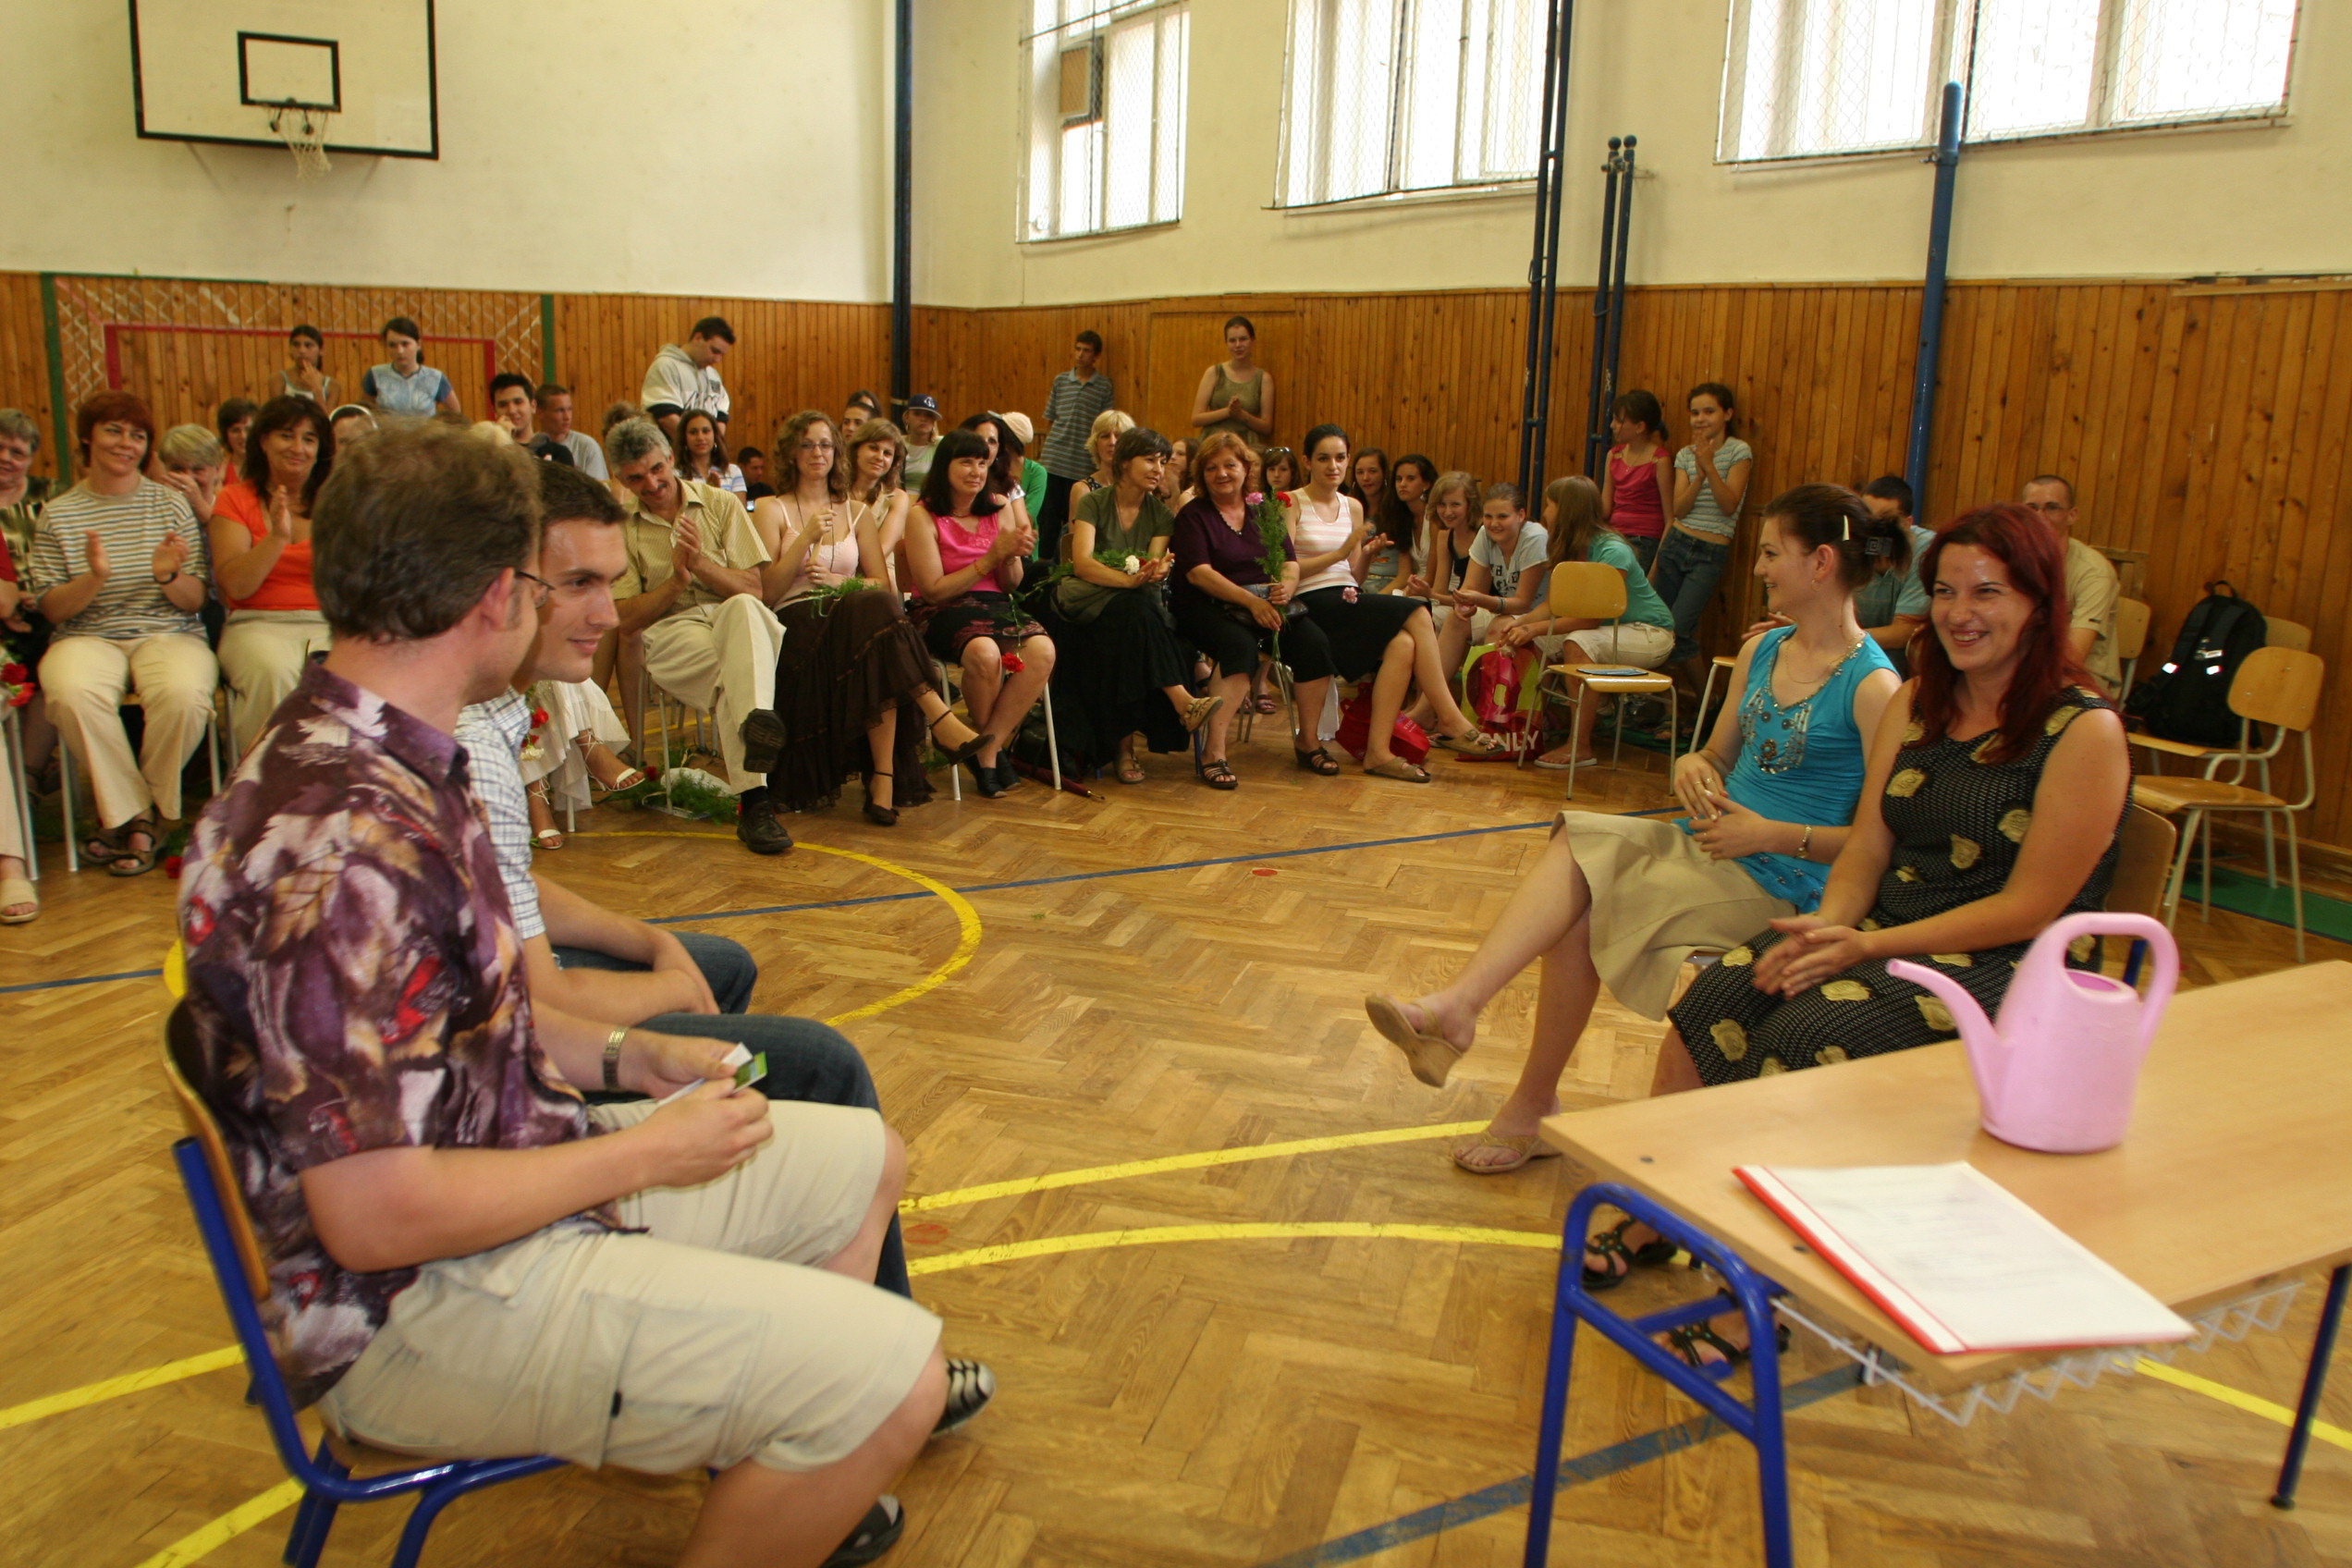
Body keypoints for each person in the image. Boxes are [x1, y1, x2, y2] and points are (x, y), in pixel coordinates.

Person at [177, 421, 949, 1566]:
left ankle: (775, 1424)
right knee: (897, 1379)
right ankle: (808, 1409)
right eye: (551, 585)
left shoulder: (388, 759)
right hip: (417, 1307)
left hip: (490, 1191)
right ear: (500, 595)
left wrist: (632, 1059)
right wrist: (644, 1150)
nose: (568, 607)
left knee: (864, 1158)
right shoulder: (343, 843)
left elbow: (472, 1016)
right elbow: (374, 1218)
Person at [1634, 505, 2129, 1366]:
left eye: (1987, 593)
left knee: (1806, 1037)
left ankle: (1756, 1298)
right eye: (1946, 592)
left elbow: (2031, 908)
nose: (1960, 612)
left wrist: (1865, 946)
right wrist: (1830, 924)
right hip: (1885, 928)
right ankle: (1661, 1217)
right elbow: (1869, 844)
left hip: (2007, 966)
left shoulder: (2082, 730)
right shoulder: (1918, 702)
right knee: (1715, 999)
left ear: (2040, 602)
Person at [1366, 484, 1907, 1173]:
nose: (1760, 567)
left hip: (1787, 882)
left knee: (1588, 907)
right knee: (1577, 842)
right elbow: (1716, 755)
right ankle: (1462, 1012)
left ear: (1822, 562)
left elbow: (1878, 844)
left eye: (1773, 554)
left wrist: (1771, 835)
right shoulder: (1764, 652)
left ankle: (1522, 1094)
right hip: (1710, 845)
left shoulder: (1874, 688)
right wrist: (1691, 764)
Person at [753, 411, 986, 822]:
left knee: (877, 623)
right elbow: (767, 591)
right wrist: (805, 539)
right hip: (796, 619)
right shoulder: (771, 508)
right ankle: (935, 721)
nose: (817, 453)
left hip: (852, 621)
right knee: (877, 621)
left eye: (825, 444)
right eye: (807, 444)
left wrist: (838, 581)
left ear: (836, 452)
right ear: (791, 452)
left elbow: (880, 582)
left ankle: (884, 780)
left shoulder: (856, 512)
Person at [29, 391, 215, 877]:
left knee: (184, 694)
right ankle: (144, 818)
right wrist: (93, 578)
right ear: (87, 439)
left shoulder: (171, 504)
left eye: (137, 435)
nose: (125, 443)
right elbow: (51, 608)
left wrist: (167, 576)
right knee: (70, 691)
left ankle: (130, 817)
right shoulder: (58, 513)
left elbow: (196, 600)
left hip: (169, 632)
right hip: (85, 636)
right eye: (113, 431)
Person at [605, 417, 792, 855]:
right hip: (671, 630)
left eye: (657, 469)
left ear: (671, 457)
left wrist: (701, 564)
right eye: (636, 478)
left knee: (745, 613)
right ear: (621, 480)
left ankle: (755, 804)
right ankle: (757, 772)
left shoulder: (721, 503)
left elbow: (754, 589)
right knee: (738, 674)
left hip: (731, 617)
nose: (651, 484)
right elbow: (625, 618)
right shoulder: (623, 529)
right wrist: (676, 580)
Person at [1287, 425, 1501, 782]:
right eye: (1323, 458)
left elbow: (1352, 577)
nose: (1333, 466)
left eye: (1340, 458)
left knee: (1402, 646)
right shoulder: (1291, 502)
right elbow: (1286, 570)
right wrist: (1340, 553)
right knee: (1416, 609)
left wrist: (1366, 556)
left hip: (1344, 597)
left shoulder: (1353, 507)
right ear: (1308, 461)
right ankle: (1448, 717)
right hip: (1308, 601)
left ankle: (1378, 752)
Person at [1050, 426, 1220, 783]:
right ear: (1125, 462)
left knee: (1134, 625)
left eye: (1163, 462)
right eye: (1150, 460)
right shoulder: (1093, 501)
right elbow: (1082, 564)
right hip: (1088, 605)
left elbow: (1149, 565)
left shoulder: (1160, 515)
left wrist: (1156, 571)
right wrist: (1129, 581)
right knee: (1138, 613)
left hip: (1132, 613)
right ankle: (1182, 701)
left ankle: (1124, 750)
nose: (1159, 469)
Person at [1169, 432, 1337, 790]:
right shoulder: (1193, 516)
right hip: (1208, 606)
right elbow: (1198, 574)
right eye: (1211, 468)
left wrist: (1286, 587)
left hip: (1263, 604)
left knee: (1314, 643)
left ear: (1246, 468)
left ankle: (1308, 741)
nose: (1222, 474)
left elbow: (1289, 561)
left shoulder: (1264, 511)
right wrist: (1252, 603)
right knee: (1239, 647)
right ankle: (1213, 752)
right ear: (1201, 475)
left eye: (1230, 465)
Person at [902, 430, 1057, 799]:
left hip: (994, 603)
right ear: (945, 466)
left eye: (983, 463)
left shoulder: (999, 506)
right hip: (940, 608)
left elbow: (1011, 584)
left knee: (1042, 651)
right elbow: (933, 589)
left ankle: (986, 748)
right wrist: (990, 557)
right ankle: (992, 754)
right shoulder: (922, 514)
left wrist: (1012, 555)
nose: (976, 471)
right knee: (984, 653)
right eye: (966, 462)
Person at [1503, 475, 1679, 769]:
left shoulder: (1612, 550)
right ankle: (1531, 726)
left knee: (1578, 642)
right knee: (1527, 637)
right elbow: (1555, 604)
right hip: (1606, 630)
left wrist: (1532, 628)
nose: (1545, 512)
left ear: (1566, 510)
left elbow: (1590, 618)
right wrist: (1520, 624)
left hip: (1649, 632)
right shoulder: (1572, 547)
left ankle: (1581, 745)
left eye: (1549, 504)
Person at [209, 396, 336, 753]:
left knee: (343, 671)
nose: (298, 448)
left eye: (309, 439)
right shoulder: (234, 499)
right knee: (273, 670)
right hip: (255, 623)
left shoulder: (336, 501)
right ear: (263, 441)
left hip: (326, 622)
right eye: (286, 435)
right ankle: (265, 778)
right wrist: (277, 539)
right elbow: (236, 586)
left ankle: (332, 778)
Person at [1656, 381, 1754, 684]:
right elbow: (1680, 509)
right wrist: (1698, 476)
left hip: (1709, 552)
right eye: (1695, 413)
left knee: (1679, 630)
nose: (1700, 419)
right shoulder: (1686, 454)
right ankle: (1663, 701)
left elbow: (1728, 505)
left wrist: (1709, 466)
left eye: (1709, 411)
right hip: (1677, 543)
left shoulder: (1739, 451)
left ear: (1728, 414)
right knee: (1657, 629)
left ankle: (1705, 703)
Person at [1431, 481, 1552, 686]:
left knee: (1500, 627)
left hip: (1535, 615)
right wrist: (1464, 605)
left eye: (1502, 516)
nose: (1494, 523)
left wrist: (1478, 600)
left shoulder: (1535, 537)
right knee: (1457, 619)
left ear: (1520, 515)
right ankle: (1430, 701)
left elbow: (1523, 603)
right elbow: (1470, 587)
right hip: (1506, 610)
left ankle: (1488, 703)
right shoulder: (1485, 533)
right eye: (1488, 516)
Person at [2018, 474, 2121, 694]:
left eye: (2052, 508)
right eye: (2032, 508)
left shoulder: (2093, 572)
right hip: (2022, 669)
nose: (2040, 517)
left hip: (2081, 680)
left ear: (2072, 515)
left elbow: (2073, 657)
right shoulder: (2012, 561)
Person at [1035, 330, 1116, 557]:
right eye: (1078, 349)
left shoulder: (1104, 386)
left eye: (1086, 351)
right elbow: (1051, 419)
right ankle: (1043, 565)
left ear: (1096, 356)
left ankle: (1068, 563)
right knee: (1048, 519)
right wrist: (1045, 453)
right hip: (1054, 459)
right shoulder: (1061, 380)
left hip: (1081, 462)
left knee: (1073, 519)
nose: (1080, 355)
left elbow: (1105, 424)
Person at [1851, 475, 1938, 656]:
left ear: (1907, 524)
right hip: (1856, 655)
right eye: (1867, 519)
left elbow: (1904, 633)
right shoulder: (1847, 544)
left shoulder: (1927, 551)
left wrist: (1842, 639)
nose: (1873, 530)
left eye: (1885, 521)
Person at [1599, 390, 1674, 572]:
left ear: (1640, 427)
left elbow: (1670, 518)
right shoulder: (1614, 455)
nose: (1613, 425)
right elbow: (1605, 507)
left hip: (1645, 538)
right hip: (1615, 535)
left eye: (1619, 421)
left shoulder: (1660, 460)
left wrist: (1656, 566)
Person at [641, 316, 734, 441]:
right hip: (669, 449)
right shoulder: (665, 367)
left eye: (722, 354)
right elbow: (666, 417)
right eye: (714, 351)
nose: (717, 359)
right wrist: (694, 446)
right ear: (698, 338)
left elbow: (721, 416)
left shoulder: (713, 375)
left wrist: (714, 445)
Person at [844, 418, 913, 582]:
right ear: (857, 450)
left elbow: (880, 551)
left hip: (879, 577)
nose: (880, 457)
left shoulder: (898, 498)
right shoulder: (835, 492)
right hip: (837, 571)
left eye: (887, 453)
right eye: (873, 448)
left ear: (894, 461)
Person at [1191, 316, 1274, 445]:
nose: (1238, 345)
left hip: (1246, 444)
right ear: (1226, 343)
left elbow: (1266, 427)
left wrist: (1241, 415)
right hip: (1214, 442)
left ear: (1252, 341)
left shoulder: (1264, 378)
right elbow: (1196, 419)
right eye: (1232, 340)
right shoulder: (1214, 373)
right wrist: (1228, 412)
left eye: (1243, 339)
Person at [1404, 471, 1478, 612]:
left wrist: (1429, 594)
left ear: (1470, 505)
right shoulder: (1445, 536)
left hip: (1480, 607)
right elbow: (1440, 590)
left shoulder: (1482, 534)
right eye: (1442, 504)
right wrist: (1419, 591)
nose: (1447, 512)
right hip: (1457, 604)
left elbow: (1471, 599)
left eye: (1455, 504)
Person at [360, 317, 460, 418]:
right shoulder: (375, 375)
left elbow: (455, 414)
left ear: (418, 344)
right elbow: (363, 413)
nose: (399, 351)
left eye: (405, 344)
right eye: (392, 345)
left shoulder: (435, 378)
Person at [488, 374, 573, 466]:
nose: (512, 410)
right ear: (494, 411)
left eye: (518, 402)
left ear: (533, 406)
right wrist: (502, 441)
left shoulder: (558, 454)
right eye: (503, 405)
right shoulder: (488, 455)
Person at [153, 424, 229, 526]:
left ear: (217, 470)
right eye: (177, 469)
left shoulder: (232, 509)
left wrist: (199, 505)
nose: (187, 478)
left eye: (197, 469)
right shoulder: (153, 510)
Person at [1065, 409, 1135, 512]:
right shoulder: (1083, 490)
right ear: (1095, 443)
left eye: (1118, 436)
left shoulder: (1139, 488)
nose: (1112, 442)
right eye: (1105, 436)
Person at [534, 383, 608, 479]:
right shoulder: (532, 446)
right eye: (560, 410)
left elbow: (598, 486)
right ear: (540, 413)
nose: (567, 417)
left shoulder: (587, 447)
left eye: (569, 409)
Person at [676, 409, 743, 495]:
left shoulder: (733, 471)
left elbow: (738, 504)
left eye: (706, 431)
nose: (700, 437)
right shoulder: (675, 474)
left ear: (715, 435)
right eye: (693, 432)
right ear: (684, 437)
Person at [275, 324, 340, 407]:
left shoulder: (333, 386)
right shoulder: (279, 380)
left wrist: (317, 390)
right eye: (296, 345)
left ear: (321, 350)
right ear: (290, 349)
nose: (302, 351)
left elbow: (326, 416)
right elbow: (277, 413)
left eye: (308, 345)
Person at [900, 393, 943, 489]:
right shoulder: (896, 443)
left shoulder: (942, 445)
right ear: (906, 417)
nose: (923, 419)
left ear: (934, 421)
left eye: (929, 415)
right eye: (917, 414)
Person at [214, 398, 258, 469]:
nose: (243, 436)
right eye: (235, 430)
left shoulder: (271, 469)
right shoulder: (218, 471)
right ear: (226, 435)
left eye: (248, 430)